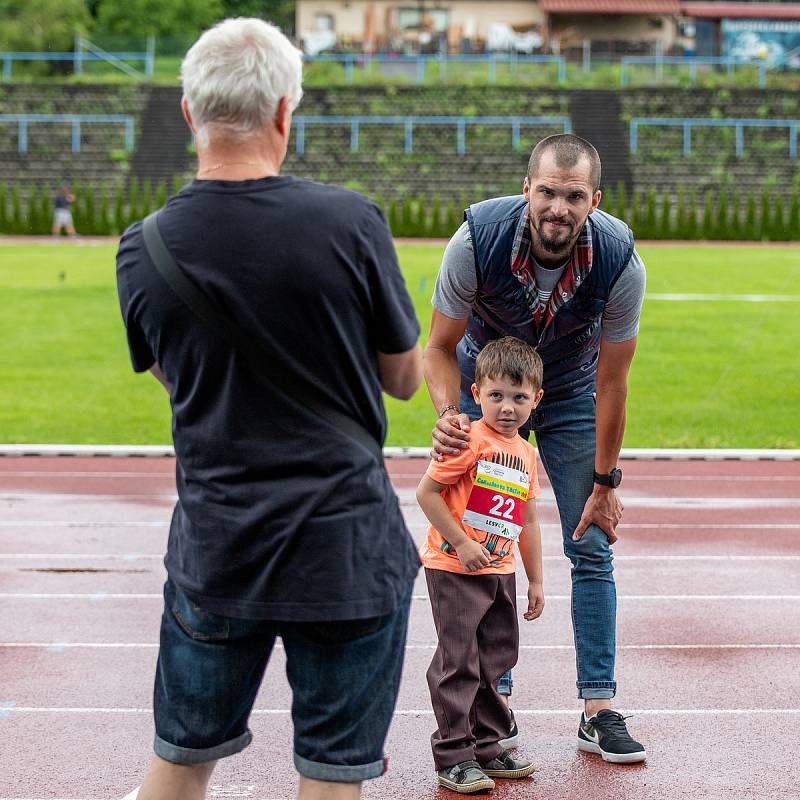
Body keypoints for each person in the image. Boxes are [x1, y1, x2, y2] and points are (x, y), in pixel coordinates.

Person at [115, 18, 423, 800]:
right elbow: (404, 378)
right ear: (287, 110)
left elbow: (175, 379)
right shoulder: (351, 221)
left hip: (218, 550)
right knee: (329, 780)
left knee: (177, 770)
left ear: (190, 113)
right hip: (343, 548)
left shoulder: (143, 246)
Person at [424, 133, 647, 764]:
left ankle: (598, 708)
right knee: (484, 542)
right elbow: (438, 348)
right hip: (489, 391)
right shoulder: (477, 239)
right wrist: (450, 416)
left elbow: (613, 380)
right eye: (547, 191)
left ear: (593, 201)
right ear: (527, 189)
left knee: (592, 541)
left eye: (573, 196)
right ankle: (494, 700)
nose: (558, 207)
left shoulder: (620, 258)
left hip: (572, 390)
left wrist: (606, 482)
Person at [416, 337, 545, 793]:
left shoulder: (527, 454)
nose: (506, 408)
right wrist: (462, 543)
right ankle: (454, 755)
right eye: (496, 396)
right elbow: (426, 494)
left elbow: (527, 518)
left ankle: (489, 746)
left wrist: (535, 579)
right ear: (476, 394)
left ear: (536, 399)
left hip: (500, 570)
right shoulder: (467, 439)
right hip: (454, 567)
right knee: (459, 661)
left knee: (496, 658)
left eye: (518, 397)